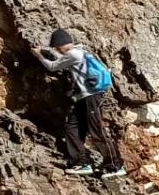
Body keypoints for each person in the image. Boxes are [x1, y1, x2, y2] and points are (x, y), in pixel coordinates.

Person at [31, 28, 125, 179]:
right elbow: (62, 59)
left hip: (91, 97)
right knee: (72, 127)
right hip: (84, 97)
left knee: (97, 130)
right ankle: (81, 162)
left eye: (56, 47)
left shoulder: (73, 54)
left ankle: (115, 165)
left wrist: (39, 55)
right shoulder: (81, 52)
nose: (56, 50)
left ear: (61, 45)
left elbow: (53, 66)